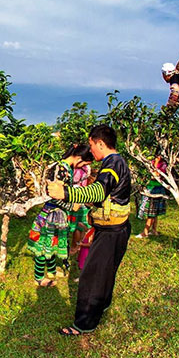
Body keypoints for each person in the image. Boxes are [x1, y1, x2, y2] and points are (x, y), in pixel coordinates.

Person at [48, 125, 132, 336]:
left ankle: (84, 324)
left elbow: (98, 191)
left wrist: (65, 193)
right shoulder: (117, 162)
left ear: (101, 143)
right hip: (118, 227)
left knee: (92, 277)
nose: (91, 150)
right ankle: (101, 306)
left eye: (92, 144)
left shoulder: (112, 163)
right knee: (105, 272)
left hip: (112, 230)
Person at [27, 144, 94, 287]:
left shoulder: (67, 168)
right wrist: (71, 205)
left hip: (58, 214)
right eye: (85, 163)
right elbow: (53, 195)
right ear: (80, 158)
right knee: (43, 246)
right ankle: (39, 278)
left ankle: (51, 272)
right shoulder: (62, 169)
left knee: (52, 245)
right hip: (51, 213)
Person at [136, 155, 168, 238]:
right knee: (153, 211)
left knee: (152, 212)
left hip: (157, 189)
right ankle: (154, 230)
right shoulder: (152, 162)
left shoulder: (163, 164)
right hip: (150, 188)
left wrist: (156, 163)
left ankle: (145, 232)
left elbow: (156, 175)